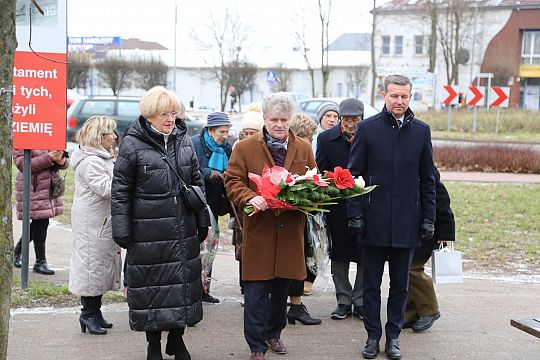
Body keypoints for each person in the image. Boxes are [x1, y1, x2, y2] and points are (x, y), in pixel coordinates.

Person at [111, 86, 210, 360]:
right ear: (150, 115)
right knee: (152, 288)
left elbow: (196, 182)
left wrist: (202, 220)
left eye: (173, 113)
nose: (170, 118)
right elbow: (120, 191)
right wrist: (122, 230)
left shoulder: (184, 140)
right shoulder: (132, 144)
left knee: (182, 285)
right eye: (163, 113)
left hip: (182, 228)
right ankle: (153, 344)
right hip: (148, 230)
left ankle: (177, 340)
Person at [347, 74, 436, 360]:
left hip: (407, 221)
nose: (399, 101)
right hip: (373, 221)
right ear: (384, 95)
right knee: (371, 285)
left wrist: (428, 219)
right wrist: (355, 214)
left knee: (400, 285)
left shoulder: (421, 132)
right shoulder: (368, 130)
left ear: (411, 96)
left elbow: (428, 179)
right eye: (394, 95)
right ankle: (373, 337)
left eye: (404, 96)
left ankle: (394, 336)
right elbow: (352, 176)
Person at [225, 93, 316, 360]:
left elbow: (314, 180)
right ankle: (256, 346)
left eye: (284, 120)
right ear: (264, 118)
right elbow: (232, 181)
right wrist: (249, 197)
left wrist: (305, 196)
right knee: (255, 292)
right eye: (274, 119)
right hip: (260, 230)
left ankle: (274, 334)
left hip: (290, 231)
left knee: (280, 292)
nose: (279, 124)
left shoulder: (303, 148)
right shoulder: (245, 147)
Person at [69, 115, 121, 336]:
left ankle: (95, 312)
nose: (115, 137)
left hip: (100, 220)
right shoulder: (91, 162)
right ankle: (87, 314)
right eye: (111, 133)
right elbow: (106, 188)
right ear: (100, 137)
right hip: (93, 222)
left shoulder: (102, 158)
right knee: (91, 267)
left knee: (99, 267)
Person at [316, 98, 365, 321]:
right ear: (340, 119)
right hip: (338, 206)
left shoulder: (370, 136)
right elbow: (320, 172)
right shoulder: (326, 139)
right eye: (347, 120)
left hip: (365, 205)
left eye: (356, 119)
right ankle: (343, 300)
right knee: (340, 254)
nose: (352, 124)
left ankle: (362, 300)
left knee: (366, 254)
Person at [403, 167, 455, 332]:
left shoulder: (426, 170)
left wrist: (445, 235)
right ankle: (412, 312)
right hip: (412, 229)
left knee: (413, 268)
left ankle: (430, 309)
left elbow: (442, 203)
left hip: (429, 231)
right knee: (405, 269)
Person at [192, 111, 233, 303]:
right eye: (221, 132)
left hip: (215, 204)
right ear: (210, 130)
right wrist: (210, 173)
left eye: (227, 132)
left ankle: (204, 290)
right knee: (195, 248)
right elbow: (189, 170)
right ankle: (191, 291)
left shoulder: (226, 148)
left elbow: (232, 170)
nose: (224, 136)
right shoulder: (194, 144)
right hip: (195, 204)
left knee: (210, 248)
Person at [286, 113, 321, 326]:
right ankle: (290, 306)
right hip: (288, 214)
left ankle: (296, 306)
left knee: (300, 260)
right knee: (291, 261)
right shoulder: (289, 150)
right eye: (307, 137)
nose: (309, 142)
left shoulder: (306, 149)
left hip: (303, 213)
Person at [13, 149, 70, 275]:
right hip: (33, 187)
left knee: (40, 221)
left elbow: (65, 164)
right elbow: (23, 165)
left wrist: (60, 159)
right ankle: (40, 261)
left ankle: (18, 252)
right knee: (41, 221)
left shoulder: (50, 137)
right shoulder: (24, 135)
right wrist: (48, 158)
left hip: (49, 187)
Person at [231, 102, 264, 306]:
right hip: (244, 206)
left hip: (264, 205)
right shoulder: (239, 147)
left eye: (253, 131)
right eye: (246, 132)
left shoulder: (264, 148)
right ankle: (246, 288)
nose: (249, 135)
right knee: (243, 249)